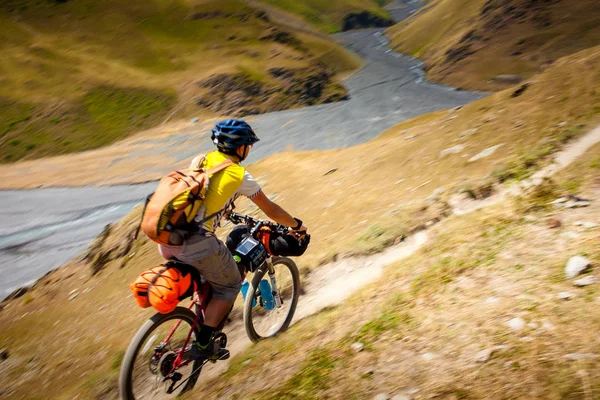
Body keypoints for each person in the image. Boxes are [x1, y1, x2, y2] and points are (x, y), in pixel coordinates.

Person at [158, 119, 307, 360]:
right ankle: (204, 345)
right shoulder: (239, 174)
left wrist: (224, 209)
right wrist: (297, 225)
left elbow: (200, 196)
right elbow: (271, 210)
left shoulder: (202, 160)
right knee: (230, 285)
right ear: (240, 148)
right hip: (196, 244)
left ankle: (200, 324)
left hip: (167, 239)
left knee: (208, 281)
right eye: (248, 144)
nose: (249, 149)